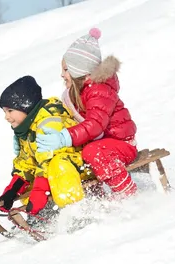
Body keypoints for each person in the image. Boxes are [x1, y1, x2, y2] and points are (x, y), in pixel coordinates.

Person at [36, 28, 138, 197]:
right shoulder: (79, 92)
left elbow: (96, 125)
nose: (62, 75)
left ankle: (127, 193)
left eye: (66, 70)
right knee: (78, 155)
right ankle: (96, 199)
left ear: (79, 70)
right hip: (105, 144)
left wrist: (64, 137)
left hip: (122, 144)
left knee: (92, 152)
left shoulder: (99, 90)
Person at [0, 75, 95, 216]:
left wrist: (40, 192)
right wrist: (12, 191)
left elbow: (48, 161)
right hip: (58, 169)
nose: (6, 117)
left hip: (81, 165)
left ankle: (74, 211)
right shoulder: (26, 129)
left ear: (26, 106)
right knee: (31, 181)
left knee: (57, 165)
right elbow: (26, 163)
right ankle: (42, 214)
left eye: (10, 111)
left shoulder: (48, 122)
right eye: (4, 112)